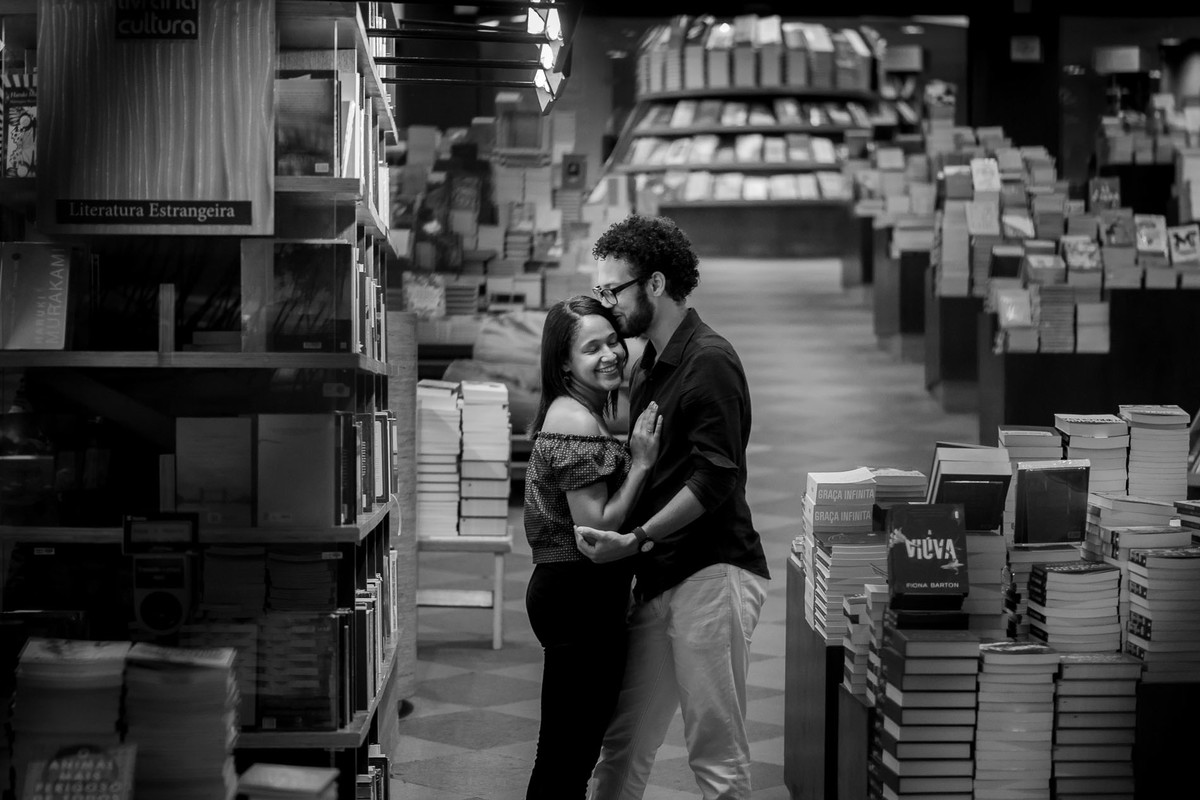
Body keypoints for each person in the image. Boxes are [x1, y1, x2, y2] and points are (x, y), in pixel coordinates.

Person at [575, 215, 771, 800]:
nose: (607, 305)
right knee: (625, 745)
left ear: (655, 285)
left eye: (614, 290)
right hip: (660, 574)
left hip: (711, 573)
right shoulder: (649, 361)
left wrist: (635, 540)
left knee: (715, 752)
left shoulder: (709, 359)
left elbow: (715, 478)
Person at [523, 295, 663, 800]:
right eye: (592, 348)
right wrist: (641, 463)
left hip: (574, 597)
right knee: (566, 756)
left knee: (568, 750)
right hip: (577, 600)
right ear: (564, 361)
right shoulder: (578, 422)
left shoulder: (576, 410)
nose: (611, 355)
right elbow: (595, 529)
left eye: (613, 342)